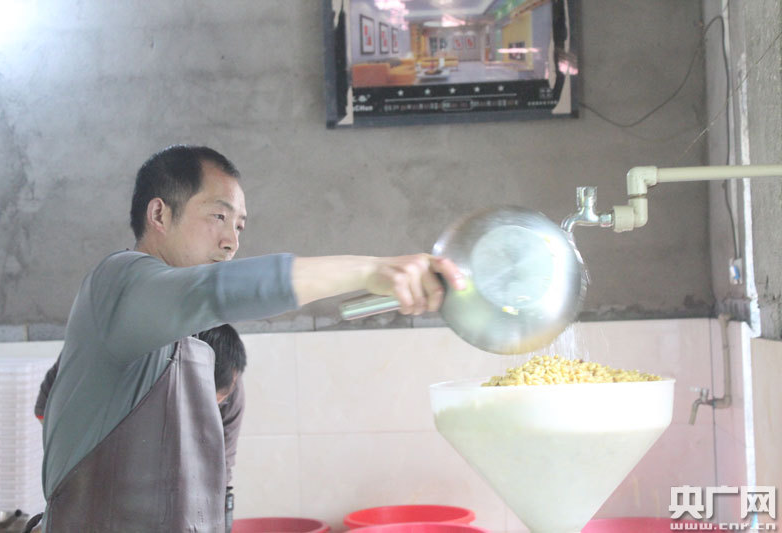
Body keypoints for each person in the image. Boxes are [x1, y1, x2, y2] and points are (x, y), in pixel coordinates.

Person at [36, 145, 465, 532]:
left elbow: (216, 488)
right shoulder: (116, 285)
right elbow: (216, 290)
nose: (232, 242)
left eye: (239, 226)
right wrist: (372, 271)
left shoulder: (203, 352)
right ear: (160, 214)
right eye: (218, 217)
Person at [33, 323, 247, 530]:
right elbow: (46, 412)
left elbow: (220, 470)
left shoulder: (229, 391)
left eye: (218, 402)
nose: (206, 412)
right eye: (200, 403)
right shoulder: (116, 360)